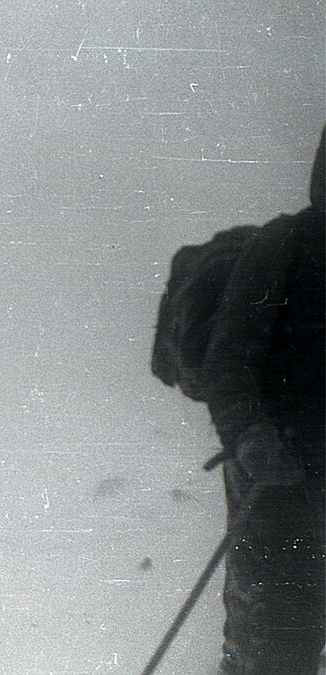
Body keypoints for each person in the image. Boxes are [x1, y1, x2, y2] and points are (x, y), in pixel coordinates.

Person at [198, 129, 325, 675]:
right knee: (278, 633)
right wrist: (252, 438)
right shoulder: (284, 244)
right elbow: (227, 362)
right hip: (279, 475)